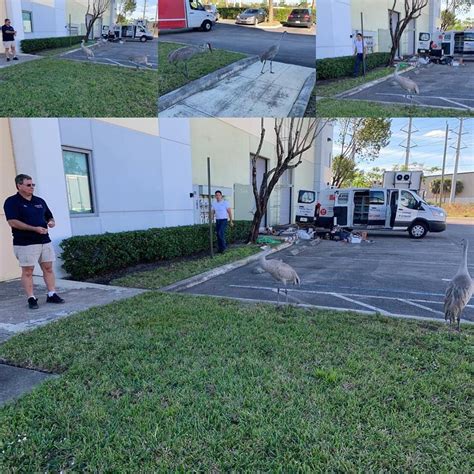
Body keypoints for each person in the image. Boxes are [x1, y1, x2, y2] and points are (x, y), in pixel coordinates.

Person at [3, 174, 65, 309]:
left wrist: (51, 222)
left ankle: (52, 294)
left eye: (33, 185)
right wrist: (34, 229)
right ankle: (31, 298)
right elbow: (12, 222)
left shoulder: (39, 201)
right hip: (25, 243)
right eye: (28, 185)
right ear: (19, 186)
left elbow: (49, 216)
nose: (32, 187)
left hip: (44, 241)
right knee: (28, 271)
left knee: (48, 268)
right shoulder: (12, 202)